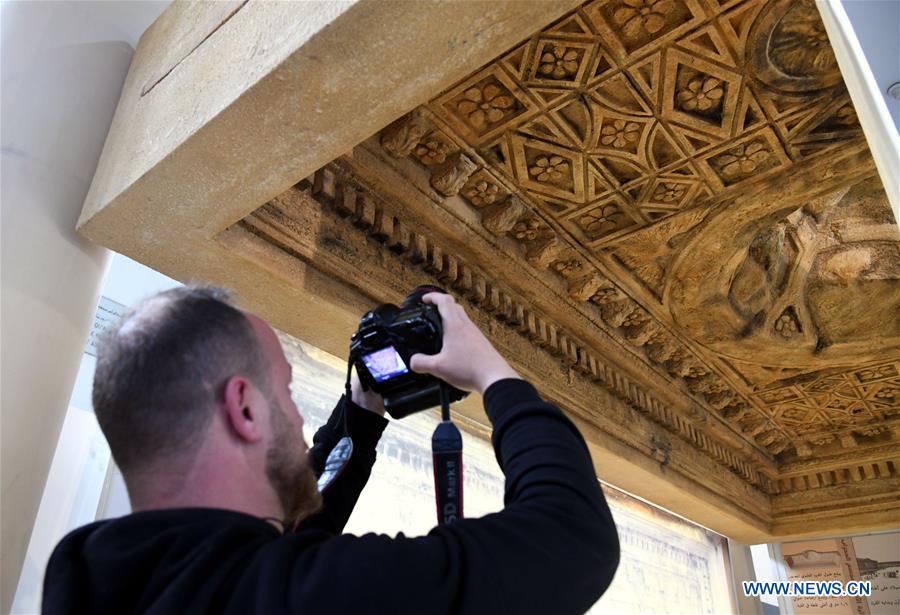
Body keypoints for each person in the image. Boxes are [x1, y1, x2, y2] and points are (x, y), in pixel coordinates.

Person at [42, 285, 620, 614]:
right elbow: (572, 538)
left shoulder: (93, 581)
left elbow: (289, 539)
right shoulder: (308, 596)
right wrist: (496, 375)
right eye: (286, 392)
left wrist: (360, 416)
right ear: (244, 409)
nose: (296, 415)